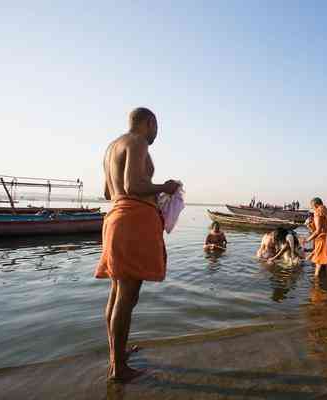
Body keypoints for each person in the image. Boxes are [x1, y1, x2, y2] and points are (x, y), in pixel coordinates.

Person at [95, 107, 180, 382]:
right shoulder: (138, 141)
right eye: (156, 128)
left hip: (115, 217)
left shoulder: (112, 147)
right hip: (133, 220)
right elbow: (133, 185)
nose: (156, 134)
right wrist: (164, 188)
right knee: (127, 295)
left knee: (118, 291)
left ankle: (116, 355)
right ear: (149, 122)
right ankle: (119, 369)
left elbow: (110, 191)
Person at [304, 198, 327, 277]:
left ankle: (316, 286)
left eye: (312, 207)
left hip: (322, 239)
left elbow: (318, 230)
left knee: (319, 264)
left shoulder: (317, 212)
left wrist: (307, 240)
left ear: (315, 205)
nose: (312, 209)